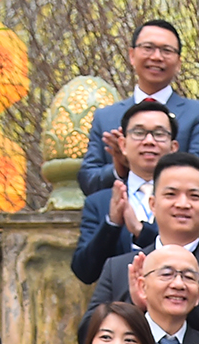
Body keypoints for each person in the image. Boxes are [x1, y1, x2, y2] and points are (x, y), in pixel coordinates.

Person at [86, 153, 199, 339]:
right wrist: (136, 307)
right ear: (153, 204)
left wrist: (181, 300)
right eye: (171, 194)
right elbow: (87, 335)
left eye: (194, 196)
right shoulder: (118, 268)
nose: (182, 204)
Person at [79, 18, 199, 194]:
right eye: (148, 48)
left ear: (179, 62)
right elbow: (88, 180)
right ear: (132, 55)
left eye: (166, 50)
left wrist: (144, 162)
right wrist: (120, 168)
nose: (156, 57)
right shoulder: (106, 118)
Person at [72, 98, 170, 286]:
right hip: (119, 309)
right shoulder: (99, 202)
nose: (149, 141)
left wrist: (142, 233)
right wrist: (111, 224)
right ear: (123, 145)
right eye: (139, 133)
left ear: (173, 147)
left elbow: (198, 253)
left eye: (159, 134)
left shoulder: (188, 200)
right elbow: (84, 271)